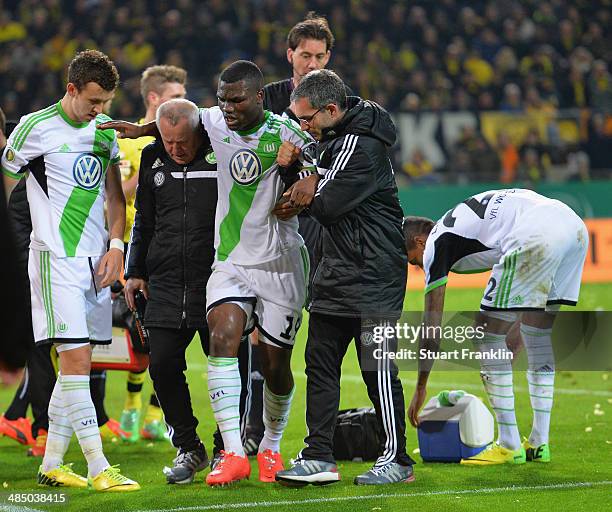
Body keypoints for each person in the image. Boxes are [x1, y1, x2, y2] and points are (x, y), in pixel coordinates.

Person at [99, 60, 315, 486]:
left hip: (279, 263)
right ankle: (230, 452)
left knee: (274, 366)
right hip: (228, 262)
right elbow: (182, 120)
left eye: (236, 100)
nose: (227, 108)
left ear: (257, 97)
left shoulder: (286, 134)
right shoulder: (208, 123)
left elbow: (315, 166)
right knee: (217, 342)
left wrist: (302, 176)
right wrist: (141, 130)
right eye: (222, 100)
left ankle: (269, 445)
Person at [1, 50, 139, 491]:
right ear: (72, 89)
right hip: (52, 258)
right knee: (76, 358)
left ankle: (53, 463)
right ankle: (99, 467)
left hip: (94, 262)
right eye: (93, 101)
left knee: (78, 366)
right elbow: (7, 178)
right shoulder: (34, 128)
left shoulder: (103, 133)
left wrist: (116, 246)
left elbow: (115, 198)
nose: (99, 111)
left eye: (106, 103)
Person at [275, 69, 416, 486]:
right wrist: (306, 173)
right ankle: (319, 454)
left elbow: (326, 205)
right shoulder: (334, 140)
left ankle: (398, 459)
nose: (303, 128)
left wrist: (296, 170)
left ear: (332, 110)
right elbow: (314, 193)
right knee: (319, 364)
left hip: (373, 276)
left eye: (307, 120)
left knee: (377, 369)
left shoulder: (360, 146)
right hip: (335, 271)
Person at [404, 188, 588, 464]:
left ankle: (509, 444)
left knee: (485, 336)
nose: (419, 267)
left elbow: (432, 326)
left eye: (413, 261)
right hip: (573, 226)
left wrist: (420, 386)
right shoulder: (461, 220)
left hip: (535, 232)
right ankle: (539, 442)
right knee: (536, 334)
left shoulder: (435, 244)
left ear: (420, 242)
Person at [243, 11, 349, 455]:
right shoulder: (263, 100)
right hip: (264, 232)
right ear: (290, 55)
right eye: (305, 54)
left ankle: (308, 436)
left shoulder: (338, 102)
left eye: (320, 55)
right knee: (254, 336)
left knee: (298, 339)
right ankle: (248, 432)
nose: (312, 61)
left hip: (317, 229)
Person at [124, 99, 218, 484]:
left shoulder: (221, 153)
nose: (175, 149)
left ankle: (229, 444)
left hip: (215, 280)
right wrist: (135, 271)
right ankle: (189, 446)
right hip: (163, 281)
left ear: (198, 132)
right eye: (167, 140)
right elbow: (144, 218)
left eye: (182, 141)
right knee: (161, 365)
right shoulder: (153, 157)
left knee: (229, 370)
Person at [118, 64, 188, 443]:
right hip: (131, 248)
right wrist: (151, 160)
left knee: (166, 335)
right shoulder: (128, 143)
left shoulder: (187, 140)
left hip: (169, 250)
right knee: (136, 335)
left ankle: (154, 414)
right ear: (154, 98)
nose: (183, 102)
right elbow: (120, 195)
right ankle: (130, 404)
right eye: (176, 96)